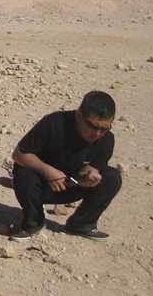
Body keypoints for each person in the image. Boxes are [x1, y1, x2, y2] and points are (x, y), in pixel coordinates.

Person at [10, 91, 122, 241]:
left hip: (72, 185)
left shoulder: (106, 140)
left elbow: (93, 168)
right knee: (23, 172)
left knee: (112, 177)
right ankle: (33, 222)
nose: (97, 134)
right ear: (79, 115)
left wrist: (90, 176)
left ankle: (82, 224)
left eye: (104, 128)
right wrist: (48, 171)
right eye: (92, 126)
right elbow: (19, 154)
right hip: (41, 185)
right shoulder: (53, 123)